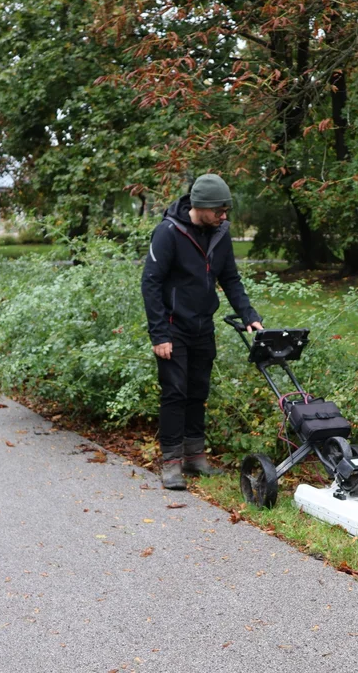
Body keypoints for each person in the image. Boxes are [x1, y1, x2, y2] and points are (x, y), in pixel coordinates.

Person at [141, 173, 263, 490]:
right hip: (172, 328)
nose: (224, 216)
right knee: (175, 393)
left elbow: (231, 280)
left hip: (202, 327)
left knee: (198, 391)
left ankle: (195, 458)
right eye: (219, 210)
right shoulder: (168, 233)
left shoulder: (220, 233)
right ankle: (170, 464)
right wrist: (159, 334)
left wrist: (249, 315)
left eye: (226, 211)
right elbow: (150, 283)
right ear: (201, 206)